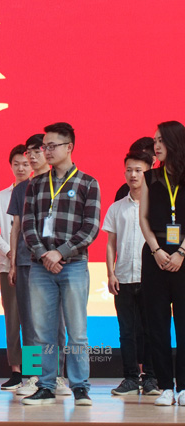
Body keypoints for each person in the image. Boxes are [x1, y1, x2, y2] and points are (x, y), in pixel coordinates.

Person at [21, 122, 100, 407]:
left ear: (69, 147)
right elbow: (27, 225)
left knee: (77, 332)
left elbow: (91, 228)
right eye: (45, 146)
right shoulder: (36, 183)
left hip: (74, 265)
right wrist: (45, 255)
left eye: (52, 146)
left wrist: (60, 253)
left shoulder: (88, 183)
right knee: (42, 331)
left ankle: (80, 387)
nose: (46, 151)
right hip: (40, 266)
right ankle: (45, 385)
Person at [7, 134, 70, 397]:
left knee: (57, 322)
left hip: (56, 261)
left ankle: (58, 376)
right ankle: (33, 376)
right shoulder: (22, 188)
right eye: (28, 153)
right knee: (30, 323)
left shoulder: (64, 183)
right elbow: (16, 228)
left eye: (37, 151)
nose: (32, 157)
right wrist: (12, 262)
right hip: (26, 261)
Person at [103, 151, 159, 396]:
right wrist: (110, 273)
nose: (133, 175)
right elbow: (110, 244)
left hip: (151, 278)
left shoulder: (157, 205)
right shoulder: (117, 208)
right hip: (123, 277)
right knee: (126, 332)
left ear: (148, 172)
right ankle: (130, 377)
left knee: (151, 330)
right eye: (129, 170)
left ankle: (151, 378)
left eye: (138, 170)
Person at [139, 121, 185, 406]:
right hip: (155, 256)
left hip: (183, 257)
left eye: (161, 140)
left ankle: (184, 387)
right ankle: (166, 386)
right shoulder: (150, 177)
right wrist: (156, 249)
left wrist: (181, 251)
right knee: (157, 324)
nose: (156, 146)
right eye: (155, 140)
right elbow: (143, 218)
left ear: (174, 141)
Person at [0, 144, 29, 390]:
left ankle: (34, 372)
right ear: (11, 166)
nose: (21, 168)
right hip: (8, 266)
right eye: (16, 164)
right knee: (12, 320)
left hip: (34, 267)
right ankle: (16, 371)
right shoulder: (1, 197)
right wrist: (11, 252)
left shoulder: (38, 193)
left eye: (25, 163)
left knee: (33, 321)